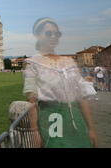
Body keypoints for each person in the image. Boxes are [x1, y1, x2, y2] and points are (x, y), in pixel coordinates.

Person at [23, 17, 98, 148]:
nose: (53, 36)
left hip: (76, 119)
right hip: (52, 120)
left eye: (56, 33)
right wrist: (35, 131)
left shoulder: (69, 62)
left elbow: (81, 97)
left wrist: (91, 128)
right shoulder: (33, 63)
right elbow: (32, 101)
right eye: (48, 33)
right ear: (38, 36)